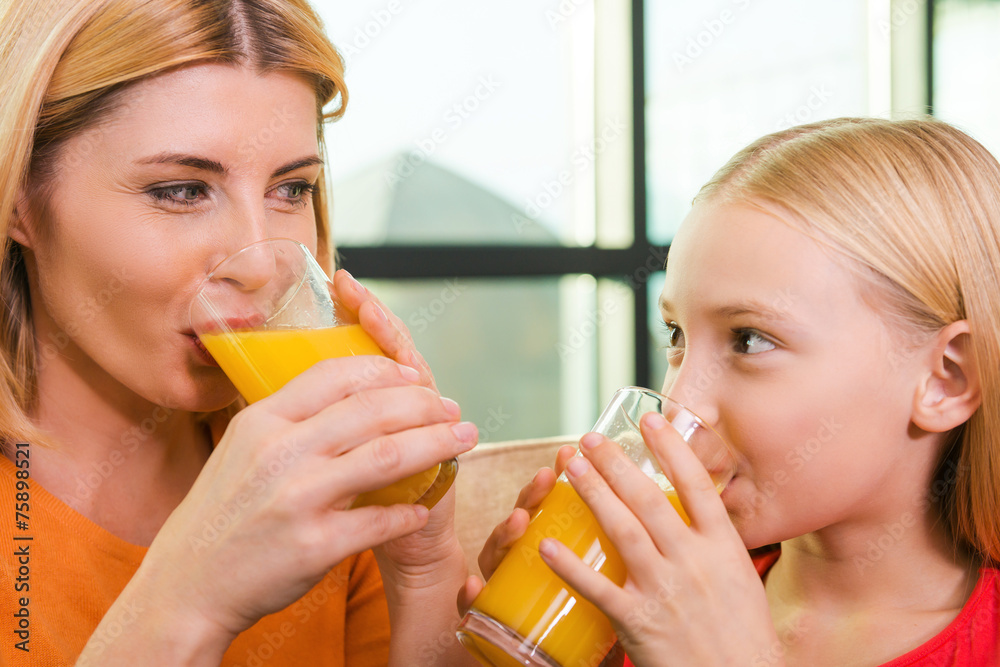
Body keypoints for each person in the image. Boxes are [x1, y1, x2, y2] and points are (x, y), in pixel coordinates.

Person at [0, 1, 481, 665]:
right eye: (180, 190)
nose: (258, 262)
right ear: (20, 196)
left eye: (291, 189)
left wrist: (422, 567)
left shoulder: (315, 475)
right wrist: (185, 603)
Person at [464, 117, 1000, 666]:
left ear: (945, 380)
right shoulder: (640, 601)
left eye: (749, 339)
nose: (681, 405)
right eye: (676, 335)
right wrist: (424, 569)